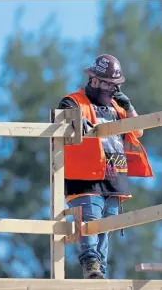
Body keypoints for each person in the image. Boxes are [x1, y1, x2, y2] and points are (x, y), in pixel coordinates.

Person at [58, 54, 154, 279]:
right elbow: (61, 118)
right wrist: (72, 120)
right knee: (91, 221)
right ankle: (91, 265)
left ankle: (99, 272)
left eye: (116, 85)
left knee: (107, 227)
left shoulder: (117, 107)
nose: (112, 89)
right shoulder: (73, 101)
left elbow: (138, 131)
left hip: (114, 177)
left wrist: (129, 107)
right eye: (109, 84)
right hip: (85, 178)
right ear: (94, 80)